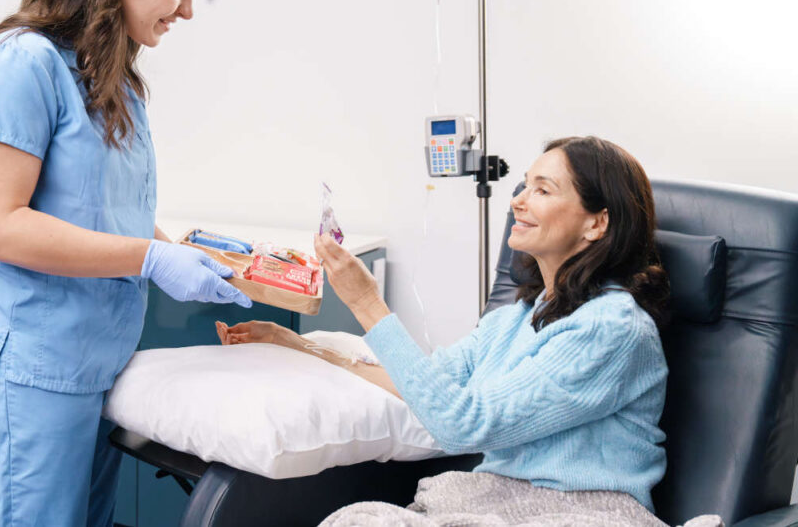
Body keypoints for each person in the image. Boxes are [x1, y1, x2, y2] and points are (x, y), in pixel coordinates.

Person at [0, 0, 251, 527]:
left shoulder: (110, 78)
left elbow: (107, 212)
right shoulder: (20, 63)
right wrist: (149, 258)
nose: (187, 10)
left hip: (97, 359)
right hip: (34, 361)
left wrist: (181, 250)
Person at [219, 136, 680, 525]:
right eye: (525, 184)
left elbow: (462, 423)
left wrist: (365, 303)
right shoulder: (514, 319)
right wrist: (297, 344)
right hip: (500, 503)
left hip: (583, 513)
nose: (518, 199)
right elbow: (426, 385)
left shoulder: (613, 328)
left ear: (597, 223)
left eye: (543, 190)